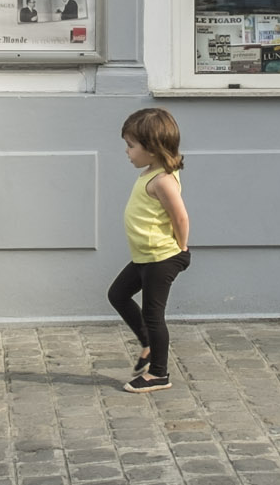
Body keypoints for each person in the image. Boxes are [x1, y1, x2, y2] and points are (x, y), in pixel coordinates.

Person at [109, 108, 192, 394]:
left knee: (154, 314)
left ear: (153, 149)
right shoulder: (150, 172)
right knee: (117, 294)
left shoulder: (163, 181)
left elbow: (180, 217)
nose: (127, 151)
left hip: (162, 257)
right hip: (145, 256)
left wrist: (181, 248)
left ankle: (159, 373)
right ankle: (147, 343)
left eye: (131, 146)